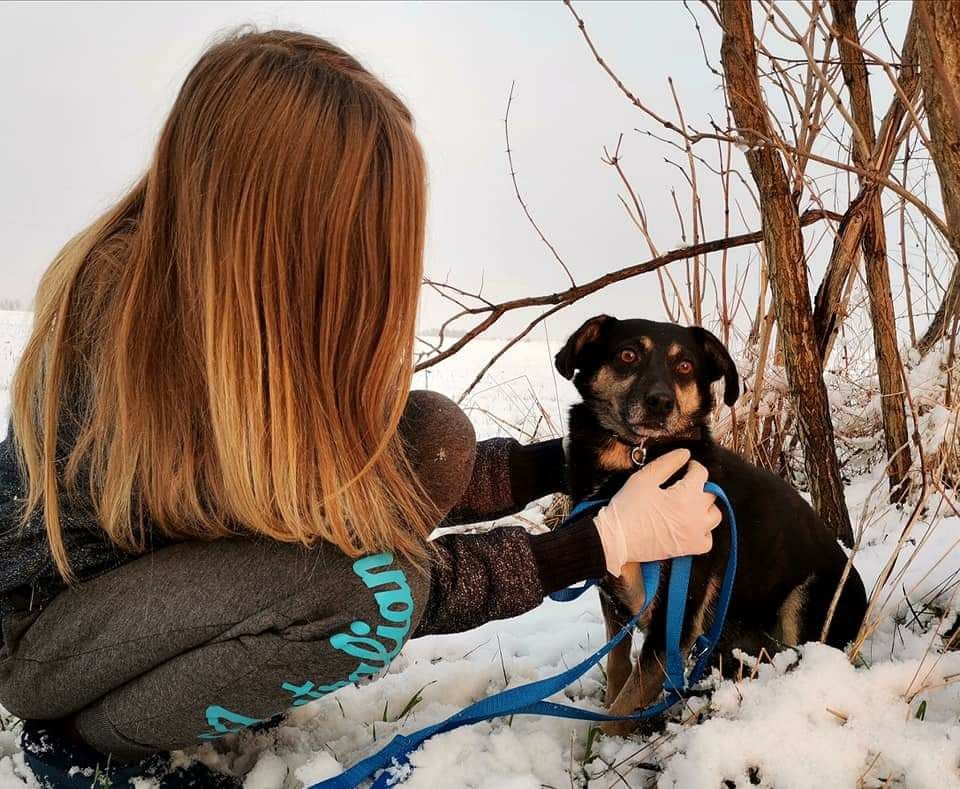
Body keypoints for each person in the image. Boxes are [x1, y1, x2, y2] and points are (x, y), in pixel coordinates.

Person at [0, 30, 721, 788]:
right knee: (372, 597)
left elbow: (360, 479)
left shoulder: (227, 318)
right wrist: (595, 544)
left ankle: (203, 677)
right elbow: (384, 569)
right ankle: (94, 741)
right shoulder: (131, 353)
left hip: (160, 589)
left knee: (437, 434)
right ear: (282, 232)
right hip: (57, 644)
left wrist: (570, 465)